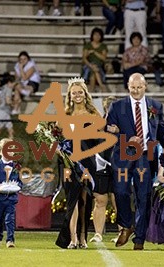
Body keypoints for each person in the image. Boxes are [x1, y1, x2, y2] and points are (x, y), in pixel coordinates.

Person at [106, 73, 164, 250]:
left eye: (139, 87)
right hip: (123, 156)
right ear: (128, 86)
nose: (135, 90)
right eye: (133, 87)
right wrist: (126, 138)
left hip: (145, 157)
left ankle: (139, 239)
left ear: (145, 86)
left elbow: (162, 131)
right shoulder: (117, 106)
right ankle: (126, 225)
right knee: (121, 192)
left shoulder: (156, 106)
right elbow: (108, 130)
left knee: (144, 197)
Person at [55, 77, 100, 249]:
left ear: (85, 94)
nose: (77, 95)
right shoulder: (63, 115)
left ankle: (83, 237)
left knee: (85, 199)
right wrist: (58, 148)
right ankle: (72, 238)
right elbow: (56, 137)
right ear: (70, 95)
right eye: (74, 93)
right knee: (72, 200)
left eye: (80, 92)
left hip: (87, 161)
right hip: (67, 162)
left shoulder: (93, 114)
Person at [89, 95, 118, 243]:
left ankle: (121, 232)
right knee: (100, 199)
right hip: (101, 164)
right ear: (105, 108)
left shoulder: (125, 123)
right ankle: (98, 233)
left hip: (119, 165)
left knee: (117, 198)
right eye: (109, 107)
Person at [0, 138, 22, 248]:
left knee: (9, 219)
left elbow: (20, 182)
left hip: (11, 198)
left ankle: (10, 240)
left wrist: (18, 187)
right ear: (0, 152)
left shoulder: (17, 166)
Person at [82, 27, 108, 93]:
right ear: (92, 35)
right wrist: (90, 65)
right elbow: (84, 58)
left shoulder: (103, 46)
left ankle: (91, 91)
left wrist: (95, 52)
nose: (97, 37)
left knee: (94, 72)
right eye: (95, 35)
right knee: (94, 70)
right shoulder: (88, 45)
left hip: (99, 66)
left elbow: (104, 58)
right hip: (88, 65)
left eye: (99, 35)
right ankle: (102, 86)